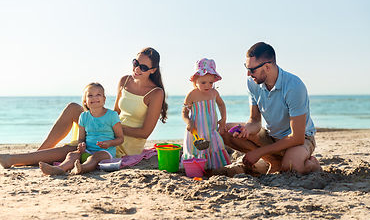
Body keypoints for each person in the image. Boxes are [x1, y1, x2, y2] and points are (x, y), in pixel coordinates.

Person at [0, 47, 167, 168]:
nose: (137, 69)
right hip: (110, 125)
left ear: (152, 70)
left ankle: (13, 159)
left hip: (125, 141)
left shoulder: (155, 93)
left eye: (143, 67)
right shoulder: (125, 80)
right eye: (135, 63)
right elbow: (115, 112)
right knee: (73, 108)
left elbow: (145, 132)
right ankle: (38, 153)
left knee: (74, 148)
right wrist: (101, 120)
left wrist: (113, 128)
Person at [222, 42, 322, 175]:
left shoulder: (294, 86)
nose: (248, 73)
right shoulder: (252, 82)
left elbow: (297, 137)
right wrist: (246, 129)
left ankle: (313, 165)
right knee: (225, 131)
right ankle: (274, 162)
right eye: (246, 67)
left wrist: (258, 153)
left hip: (299, 139)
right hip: (271, 136)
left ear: (267, 67)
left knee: (293, 167)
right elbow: (255, 121)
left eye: (252, 70)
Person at [39, 82, 124, 175]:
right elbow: (81, 139)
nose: (94, 97)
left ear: (104, 99)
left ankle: (81, 168)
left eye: (98, 94)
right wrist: (81, 146)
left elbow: (120, 138)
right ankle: (60, 168)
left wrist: (109, 143)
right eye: (90, 95)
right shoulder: (83, 116)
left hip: (106, 151)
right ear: (85, 102)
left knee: (94, 158)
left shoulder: (112, 115)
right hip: (88, 150)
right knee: (71, 155)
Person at [182, 58, 231, 174]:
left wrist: (223, 119)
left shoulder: (214, 93)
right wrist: (188, 122)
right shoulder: (192, 95)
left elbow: (221, 104)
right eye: (203, 82)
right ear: (195, 80)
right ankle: (197, 169)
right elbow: (184, 112)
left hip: (211, 130)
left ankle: (213, 170)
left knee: (214, 147)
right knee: (198, 150)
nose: (207, 86)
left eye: (211, 82)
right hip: (197, 131)